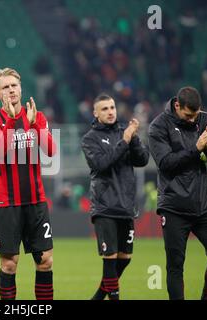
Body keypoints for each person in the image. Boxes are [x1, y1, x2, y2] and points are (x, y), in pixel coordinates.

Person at [148, 86, 207, 300]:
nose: (193, 120)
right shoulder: (158, 126)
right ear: (177, 106)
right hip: (173, 206)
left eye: (196, 114)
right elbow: (166, 164)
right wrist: (197, 148)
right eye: (188, 115)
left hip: (203, 203)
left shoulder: (205, 119)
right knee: (175, 265)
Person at [0, 67, 57, 300]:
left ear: (21, 87)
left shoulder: (36, 115)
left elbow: (51, 151)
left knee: (45, 261)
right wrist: (10, 121)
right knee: (9, 265)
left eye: (14, 85)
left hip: (36, 200)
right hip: (7, 203)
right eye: (5, 87)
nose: (11, 90)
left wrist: (35, 124)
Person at [81, 94, 149, 300]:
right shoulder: (89, 139)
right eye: (104, 109)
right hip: (105, 206)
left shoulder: (124, 132)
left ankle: (97, 298)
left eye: (112, 107)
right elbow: (101, 164)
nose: (110, 112)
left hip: (126, 206)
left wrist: (134, 137)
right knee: (110, 259)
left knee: (125, 258)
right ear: (96, 113)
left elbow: (142, 160)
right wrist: (125, 140)